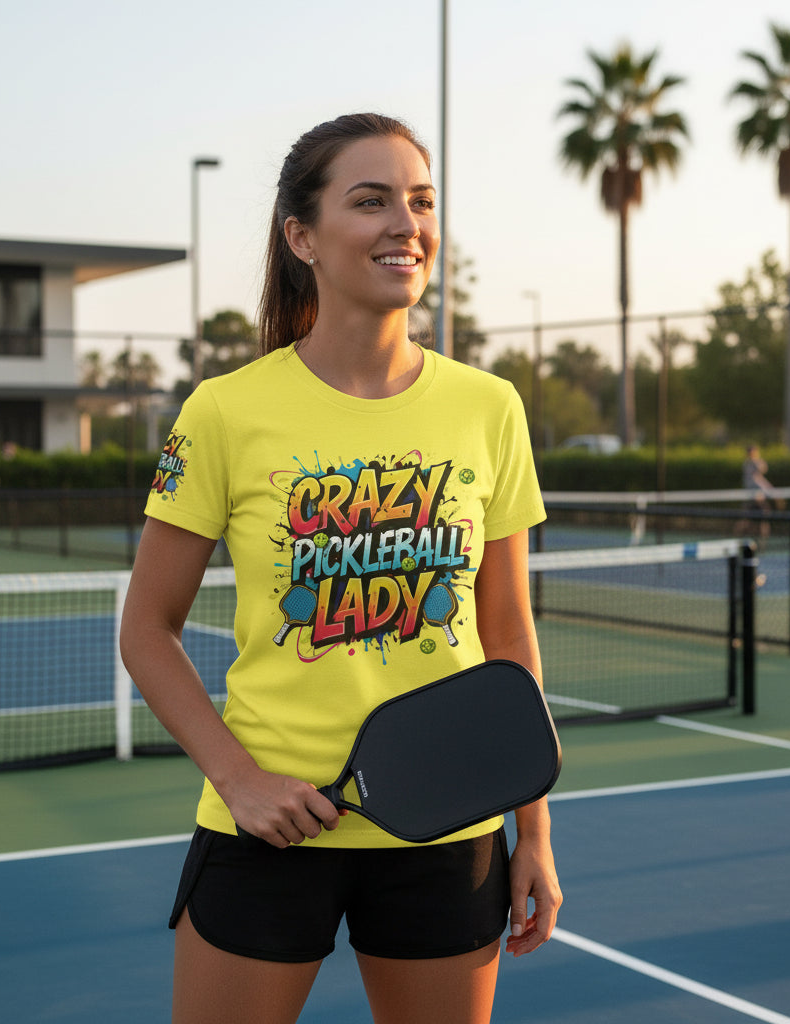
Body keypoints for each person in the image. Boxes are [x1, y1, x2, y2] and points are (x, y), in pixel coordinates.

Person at [119, 112, 562, 1024]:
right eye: (371, 202)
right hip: (266, 832)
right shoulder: (224, 412)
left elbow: (508, 634)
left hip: (451, 830)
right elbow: (146, 628)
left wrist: (535, 830)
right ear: (302, 236)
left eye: (421, 201)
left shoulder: (490, 407)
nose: (407, 223)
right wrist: (240, 782)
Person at [739, 444, 775, 543]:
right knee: (745, 520)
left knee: (763, 520)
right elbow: (756, 477)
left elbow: (761, 474)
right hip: (750, 498)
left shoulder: (756, 464)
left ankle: (762, 541)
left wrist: (771, 491)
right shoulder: (748, 465)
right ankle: (741, 540)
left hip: (760, 498)